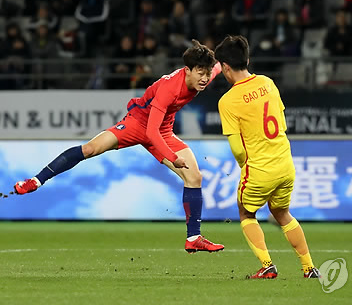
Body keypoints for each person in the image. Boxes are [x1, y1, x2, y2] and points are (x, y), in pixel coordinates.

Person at [13, 40, 225, 254]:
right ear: (187, 70)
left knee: (194, 177)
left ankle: (194, 237)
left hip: (163, 130)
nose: (205, 78)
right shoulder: (170, 88)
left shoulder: (206, 75)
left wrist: (232, 54)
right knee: (90, 149)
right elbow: (150, 132)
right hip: (138, 123)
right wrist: (171, 156)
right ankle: (36, 180)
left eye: (207, 73)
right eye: (200, 73)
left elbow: (220, 65)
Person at [215, 35, 320, 279]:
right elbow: (281, 122)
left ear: (226, 67)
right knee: (282, 214)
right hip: (285, 164)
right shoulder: (268, 83)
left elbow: (238, 149)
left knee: (245, 213)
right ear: (247, 60)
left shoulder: (227, 101)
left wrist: (247, 166)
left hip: (259, 168)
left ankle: (267, 265)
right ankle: (309, 268)